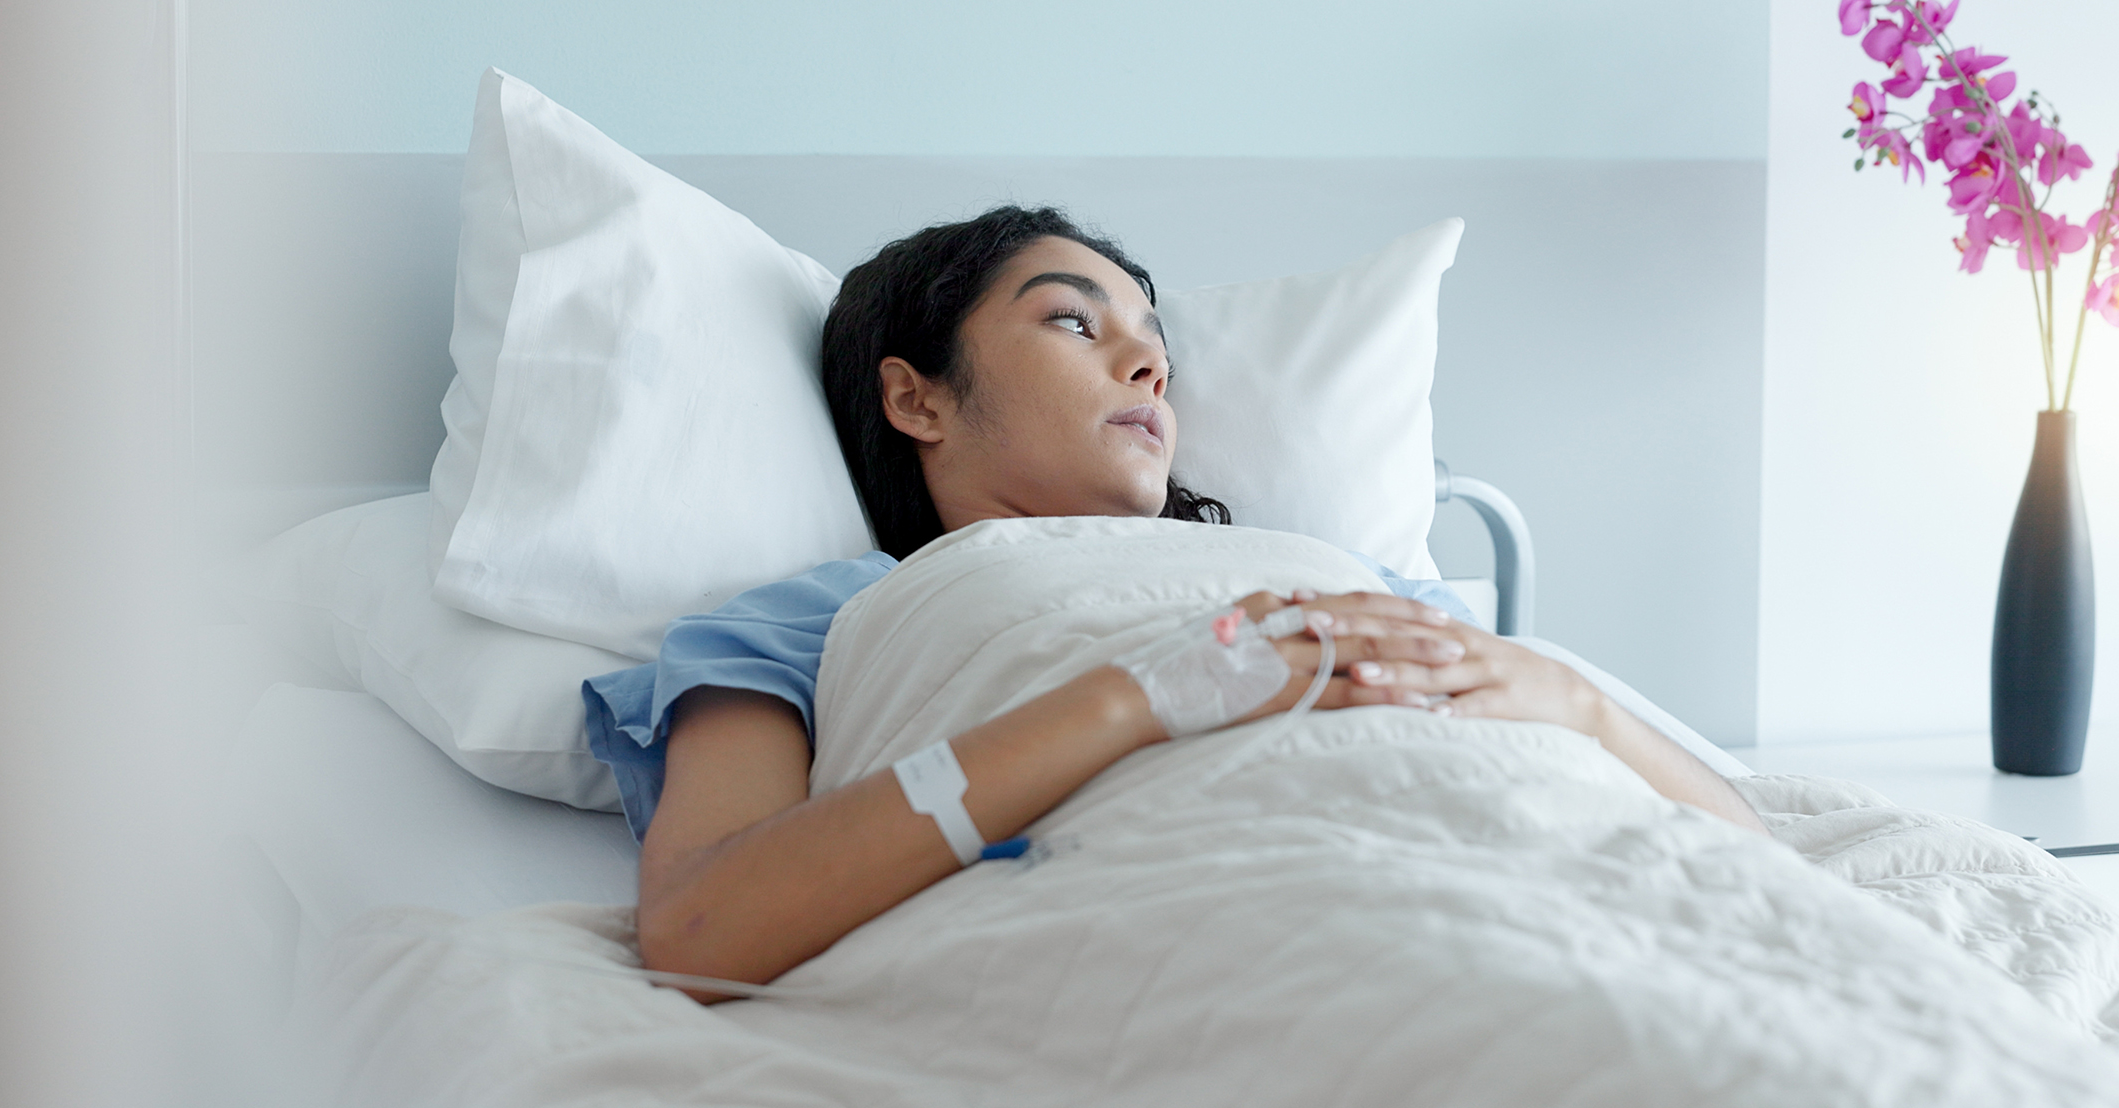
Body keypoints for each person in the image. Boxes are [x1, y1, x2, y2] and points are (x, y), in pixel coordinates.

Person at [582, 206, 1764, 998]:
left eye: (1155, 344)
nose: (1148, 365)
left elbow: (1755, 856)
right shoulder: (810, 622)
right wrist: (1130, 701)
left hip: (1543, 903)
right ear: (918, 400)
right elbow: (702, 934)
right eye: (1072, 320)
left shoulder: (1330, 571)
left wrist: (1573, 702)